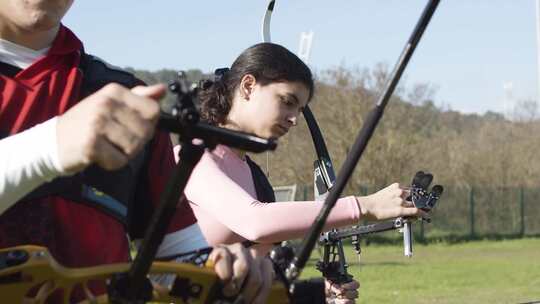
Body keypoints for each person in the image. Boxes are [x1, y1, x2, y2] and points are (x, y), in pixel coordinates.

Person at [0, 1, 272, 303]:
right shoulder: (117, 103)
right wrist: (51, 145)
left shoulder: (122, 95)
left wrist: (222, 271)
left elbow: (173, 258)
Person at [165, 42, 428, 303]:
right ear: (248, 86)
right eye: (287, 102)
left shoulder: (253, 175)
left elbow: (255, 281)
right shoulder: (192, 158)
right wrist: (362, 206)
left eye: (300, 109)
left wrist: (316, 293)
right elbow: (255, 222)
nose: (294, 119)